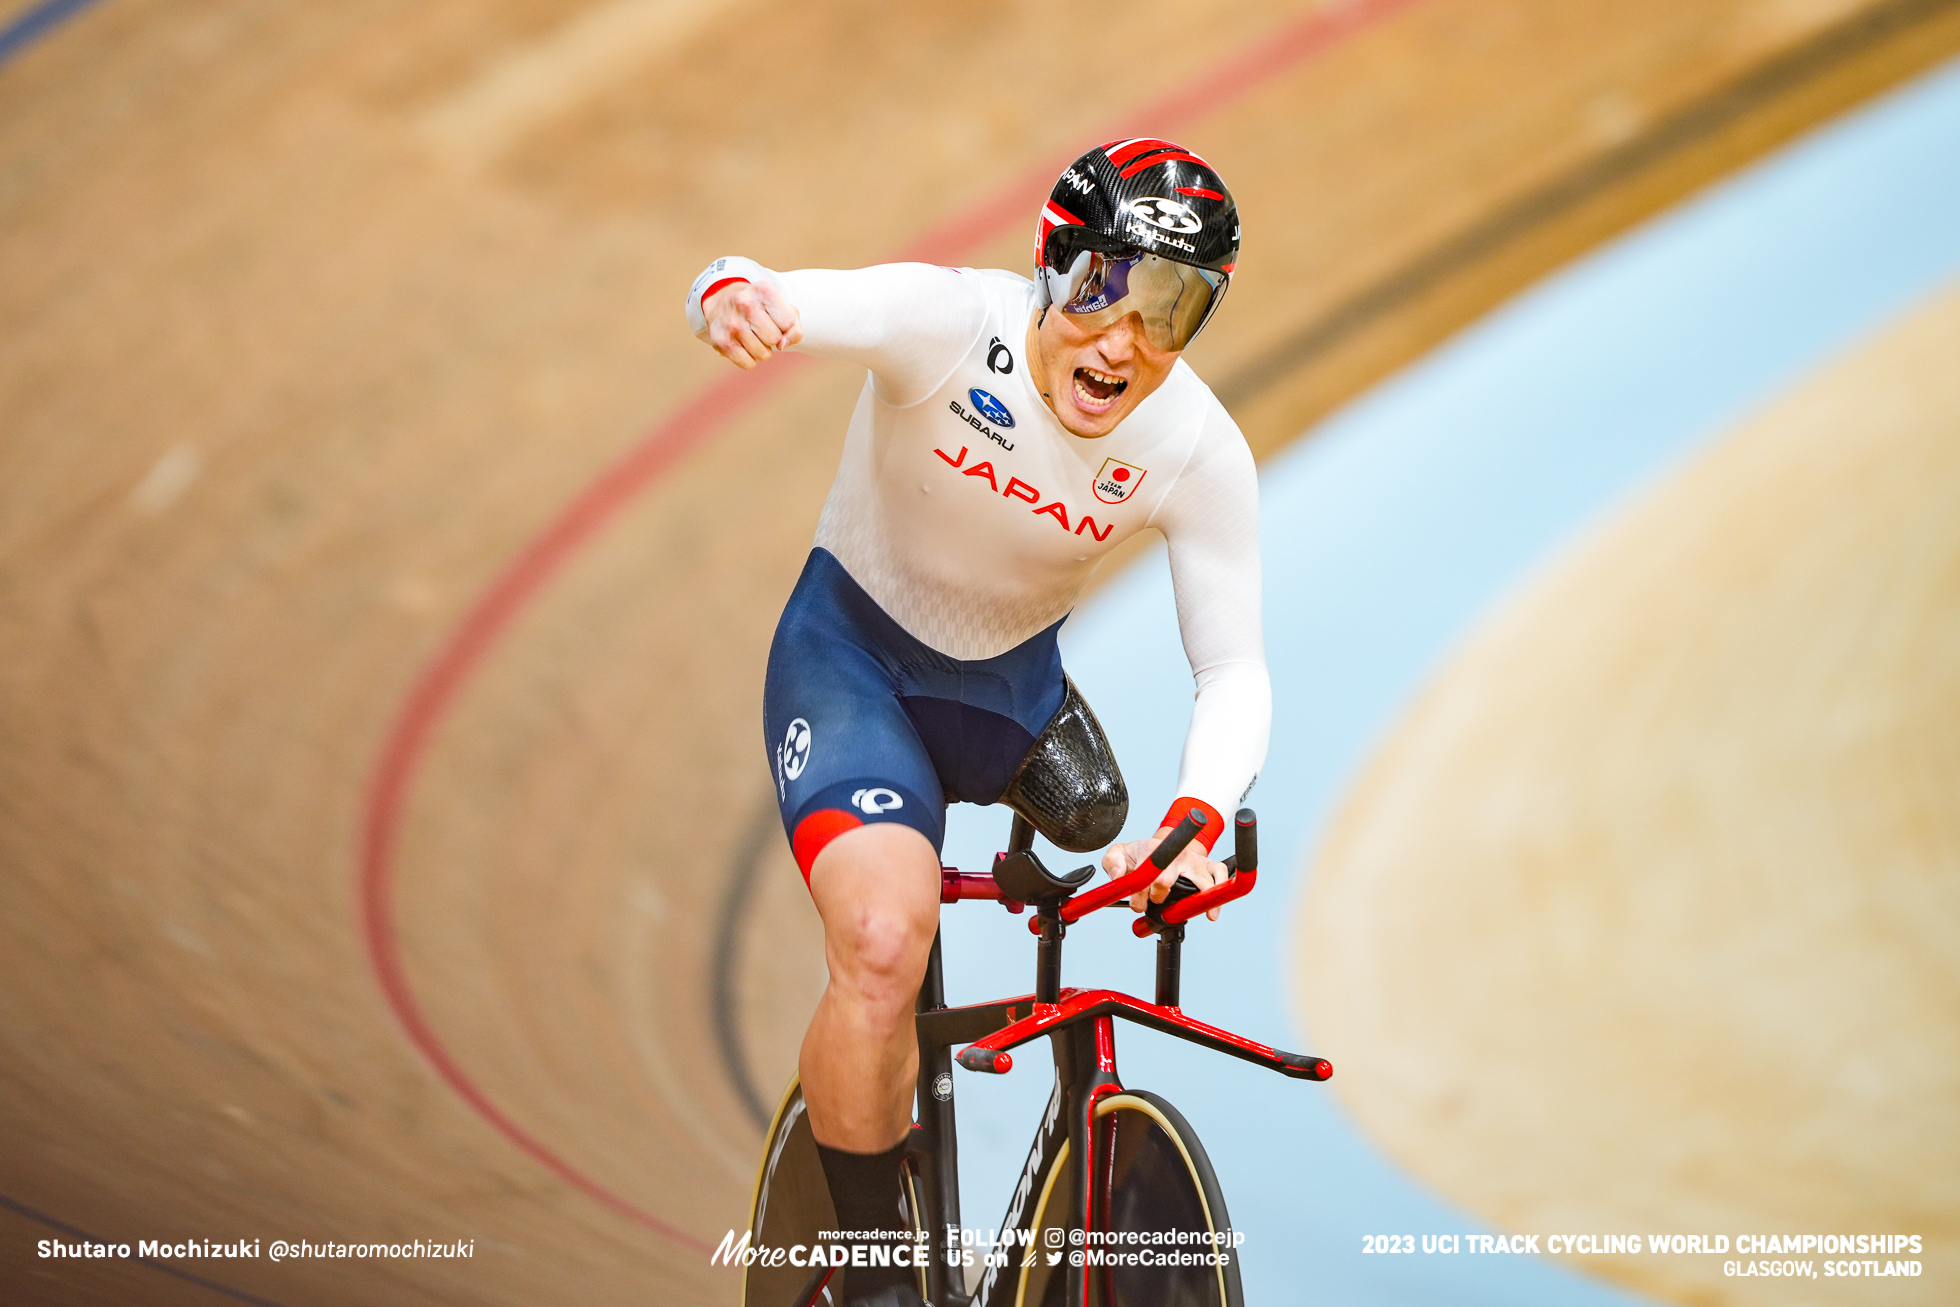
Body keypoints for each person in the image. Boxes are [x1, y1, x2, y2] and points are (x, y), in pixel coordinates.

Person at [686, 138, 1269, 1307]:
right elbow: (775, 288)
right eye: (1110, 288)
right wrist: (731, 297)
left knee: (1105, 816)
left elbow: (1234, 665)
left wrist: (1201, 810)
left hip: (1008, 697)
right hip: (851, 666)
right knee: (887, 945)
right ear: (1054, 261)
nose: (1126, 343)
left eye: (1174, 311)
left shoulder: (1194, 446)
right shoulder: (949, 323)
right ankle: (873, 1279)